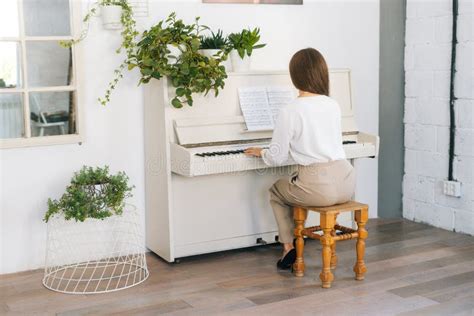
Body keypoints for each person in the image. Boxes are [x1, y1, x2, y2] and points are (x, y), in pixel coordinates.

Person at [244, 48, 355, 270]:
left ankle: (288, 248)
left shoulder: (291, 110)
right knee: (298, 184)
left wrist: (262, 152)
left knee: (277, 191)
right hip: (346, 181)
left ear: (295, 75)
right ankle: (311, 239)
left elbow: (276, 158)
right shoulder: (333, 104)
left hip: (318, 186)